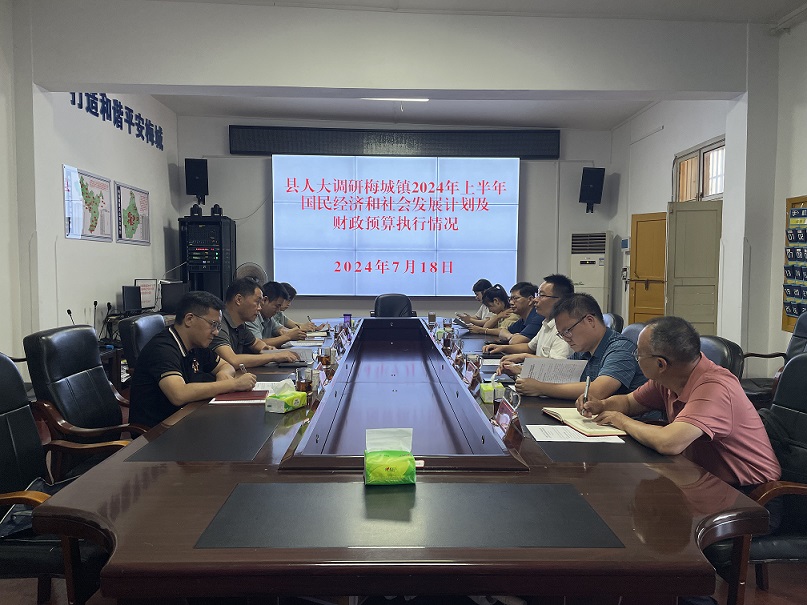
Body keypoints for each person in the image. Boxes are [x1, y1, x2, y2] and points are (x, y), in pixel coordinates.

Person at [579, 316, 781, 489]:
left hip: (751, 493)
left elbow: (669, 442)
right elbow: (629, 403)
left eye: (638, 354)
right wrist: (602, 405)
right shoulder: (668, 379)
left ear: (660, 364)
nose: (636, 359)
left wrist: (620, 420)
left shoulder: (715, 388)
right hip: (703, 478)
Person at [128, 291, 258, 427]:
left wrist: (223, 375)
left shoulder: (197, 344)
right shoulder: (162, 349)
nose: (216, 332)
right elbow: (179, 394)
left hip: (187, 417)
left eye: (218, 326)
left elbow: (226, 365)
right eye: (213, 324)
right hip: (158, 431)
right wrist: (233, 384)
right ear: (189, 319)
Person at [514, 292, 646, 399]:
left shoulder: (620, 348)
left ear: (590, 320)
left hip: (633, 420)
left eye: (567, 331)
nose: (566, 339)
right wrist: (523, 370)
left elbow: (597, 391)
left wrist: (540, 388)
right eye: (561, 334)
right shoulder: (584, 349)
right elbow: (561, 371)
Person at [484, 274, 574, 373]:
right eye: (537, 295)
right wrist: (502, 348)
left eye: (541, 295)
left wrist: (524, 357)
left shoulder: (564, 329)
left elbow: (557, 366)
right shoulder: (547, 322)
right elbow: (529, 347)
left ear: (559, 300)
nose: (535, 299)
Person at [212, 277, 300, 369]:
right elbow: (232, 360)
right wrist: (274, 356)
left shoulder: (240, 325)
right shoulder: (218, 323)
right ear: (238, 300)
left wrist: (269, 350)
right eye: (257, 302)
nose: (259, 308)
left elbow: (256, 343)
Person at [245, 280, 306, 347]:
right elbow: (257, 344)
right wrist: (288, 336)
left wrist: (291, 333)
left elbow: (280, 329)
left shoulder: (269, 318)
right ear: (264, 300)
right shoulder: (252, 317)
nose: (278, 310)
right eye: (277, 306)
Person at [477, 282, 542, 344]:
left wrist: (511, 337)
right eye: (510, 299)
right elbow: (502, 331)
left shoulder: (538, 317)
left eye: (515, 298)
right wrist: (510, 336)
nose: (511, 302)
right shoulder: (523, 319)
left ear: (530, 300)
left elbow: (515, 341)